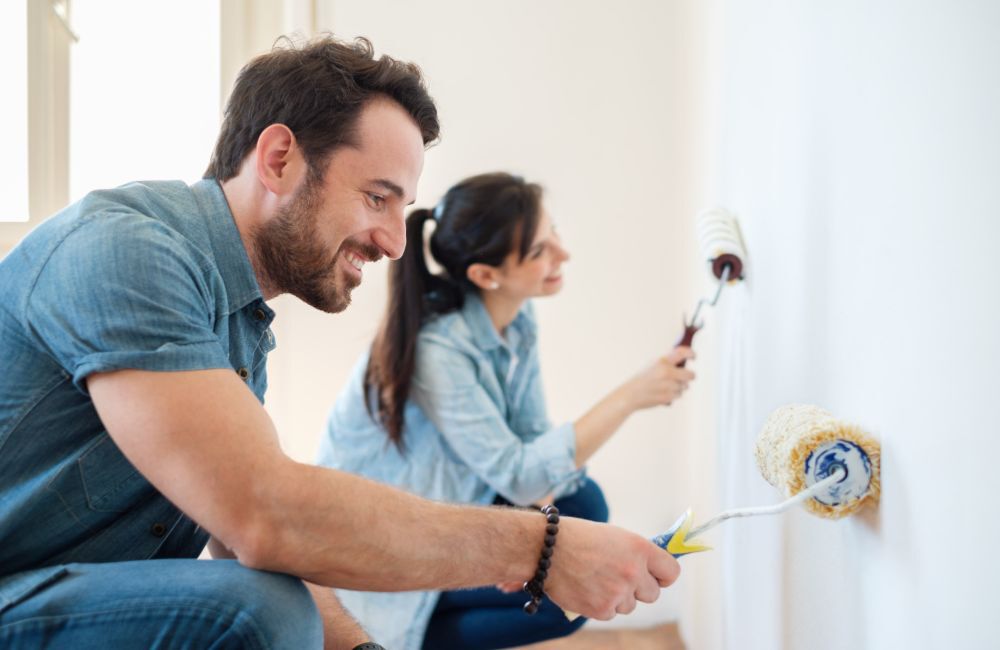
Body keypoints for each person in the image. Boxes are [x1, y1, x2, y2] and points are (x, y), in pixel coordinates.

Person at [0, 36, 681, 650]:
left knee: (270, 599)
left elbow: (240, 533)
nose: (392, 243)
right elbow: (265, 516)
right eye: (377, 199)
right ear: (278, 159)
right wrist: (541, 549)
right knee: (254, 611)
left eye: (403, 211)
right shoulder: (125, 252)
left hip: (65, 591)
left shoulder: (239, 326)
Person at [319, 172, 696, 649]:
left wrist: (533, 547)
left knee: (581, 510)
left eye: (552, 232)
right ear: (485, 275)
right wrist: (631, 396)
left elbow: (533, 443)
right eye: (540, 250)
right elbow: (521, 478)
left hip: (455, 504)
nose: (562, 253)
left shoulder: (516, 321)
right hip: (385, 547)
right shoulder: (438, 351)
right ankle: (413, 632)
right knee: (566, 572)